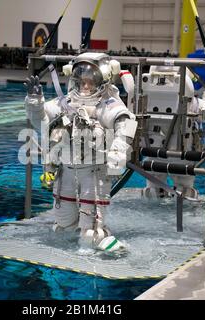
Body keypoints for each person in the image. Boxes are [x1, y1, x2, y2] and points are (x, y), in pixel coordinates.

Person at [24, 53, 138, 252]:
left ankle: (108, 245)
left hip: (93, 173)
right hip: (65, 171)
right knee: (63, 227)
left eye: (90, 82)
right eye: (81, 82)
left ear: (101, 81)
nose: (85, 87)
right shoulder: (64, 103)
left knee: (90, 234)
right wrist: (35, 102)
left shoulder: (108, 105)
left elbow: (126, 126)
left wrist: (117, 156)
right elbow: (40, 122)